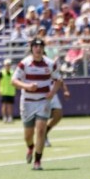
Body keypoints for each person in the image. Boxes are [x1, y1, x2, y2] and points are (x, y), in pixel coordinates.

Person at [11, 37, 62, 171]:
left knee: (40, 130)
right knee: (28, 135)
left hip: (43, 101)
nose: (38, 49)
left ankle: (38, 161)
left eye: (40, 47)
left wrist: (52, 92)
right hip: (27, 102)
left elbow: (58, 80)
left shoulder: (50, 64)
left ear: (43, 48)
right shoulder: (24, 63)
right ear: (31, 48)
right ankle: (30, 147)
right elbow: (14, 81)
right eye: (35, 47)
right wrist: (27, 86)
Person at [44, 79, 71, 147]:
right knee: (43, 115)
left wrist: (65, 90)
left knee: (58, 114)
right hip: (39, 94)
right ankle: (42, 137)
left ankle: (44, 133)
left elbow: (60, 80)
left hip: (52, 93)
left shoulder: (52, 68)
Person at [0, 58, 16, 123]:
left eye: (9, 65)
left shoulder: (13, 72)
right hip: (4, 92)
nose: (8, 66)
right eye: (7, 65)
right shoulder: (1, 72)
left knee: (10, 106)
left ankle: (10, 117)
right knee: (4, 105)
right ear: (4, 65)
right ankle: (4, 117)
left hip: (11, 92)